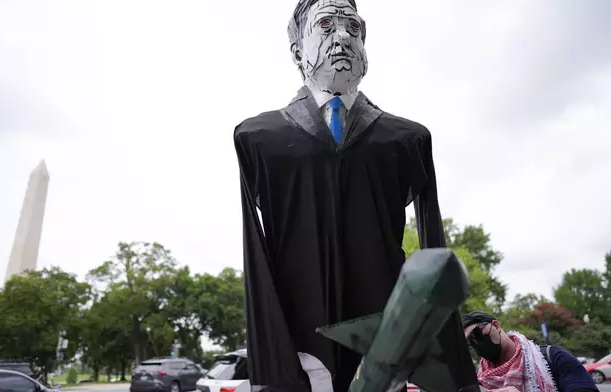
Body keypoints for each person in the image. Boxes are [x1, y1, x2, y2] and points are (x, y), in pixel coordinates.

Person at [233, 0, 460, 391]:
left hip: (384, 340)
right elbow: (256, 257)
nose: (342, 38)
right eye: (325, 25)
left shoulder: (407, 140)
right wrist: (275, 364)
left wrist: (448, 364)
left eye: (353, 28)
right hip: (301, 340)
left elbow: (434, 254)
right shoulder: (258, 139)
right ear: (297, 50)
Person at [462, 310, 599, 392]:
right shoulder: (478, 381)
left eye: (476, 334)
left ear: (496, 326)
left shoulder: (554, 358)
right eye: (469, 342)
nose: (475, 343)